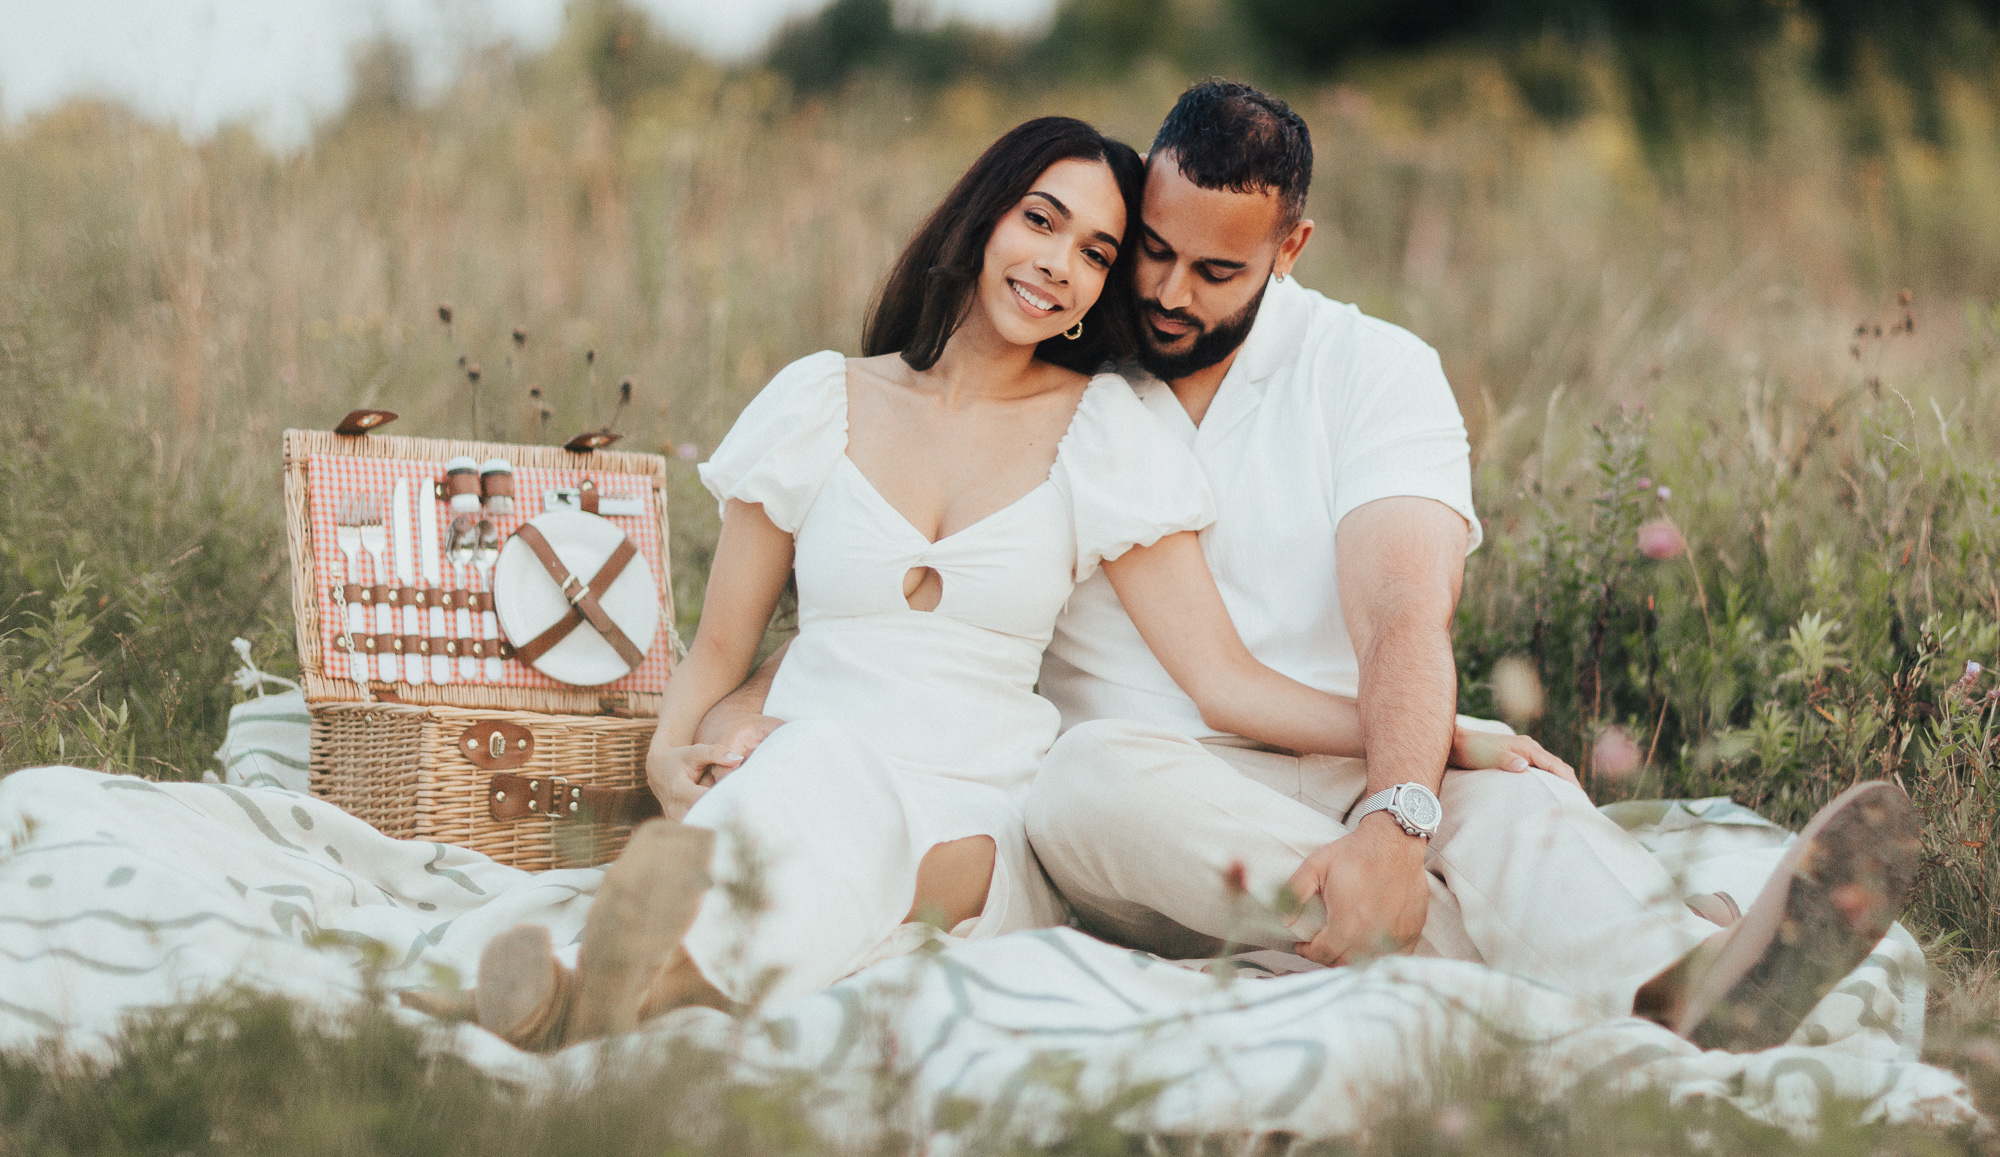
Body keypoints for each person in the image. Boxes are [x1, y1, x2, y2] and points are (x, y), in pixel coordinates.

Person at [705, 82, 1922, 1054]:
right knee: (1087, 780)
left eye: (1216, 270)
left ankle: (1688, 979)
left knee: (1509, 809)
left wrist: (1404, 794)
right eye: (1152, 253)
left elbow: (1401, 608)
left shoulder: (1371, 370)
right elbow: (899, 602)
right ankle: (1617, 973)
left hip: (1348, 755)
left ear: (1290, 245)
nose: (1168, 293)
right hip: (1143, 801)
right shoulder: (1072, 375)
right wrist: (750, 706)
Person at [466, 115, 1558, 1051]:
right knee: (812, 777)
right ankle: (613, 979)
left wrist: (1434, 733)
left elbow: (1222, 681)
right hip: (802, 761)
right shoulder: (817, 402)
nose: (1056, 263)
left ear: (1099, 287)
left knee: (846, 813)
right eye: (1039, 220)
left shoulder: (1104, 430)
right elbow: (722, 647)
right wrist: (670, 750)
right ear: (981, 215)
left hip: (976, 803)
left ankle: (619, 982)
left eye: (1094, 250)